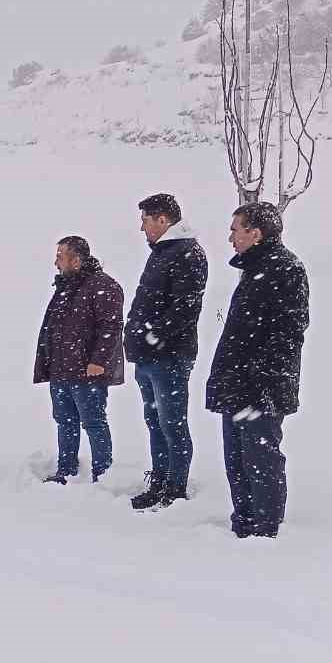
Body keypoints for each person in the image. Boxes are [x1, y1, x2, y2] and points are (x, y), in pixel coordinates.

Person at [205, 202, 310, 539]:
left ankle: (264, 528)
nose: (230, 237)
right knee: (236, 459)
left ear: (256, 232)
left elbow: (289, 332)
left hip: (261, 388)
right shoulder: (255, 269)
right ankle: (244, 521)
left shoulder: (285, 268)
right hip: (238, 384)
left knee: (260, 458)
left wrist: (261, 377)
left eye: (236, 229)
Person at [124, 193, 207, 510]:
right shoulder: (163, 252)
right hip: (149, 357)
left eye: (145, 220)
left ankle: (175, 487)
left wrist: (151, 337)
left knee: (172, 422)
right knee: (154, 420)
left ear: (162, 220)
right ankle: (159, 480)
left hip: (169, 356)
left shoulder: (187, 253)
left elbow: (184, 309)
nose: (142, 228)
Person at [34, 235, 125, 483]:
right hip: (60, 370)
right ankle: (66, 470)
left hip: (87, 371)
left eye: (60, 256)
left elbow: (111, 326)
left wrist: (98, 361)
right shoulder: (65, 287)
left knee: (94, 423)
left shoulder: (103, 285)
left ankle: (103, 476)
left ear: (75, 260)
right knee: (65, 422)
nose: (56, 263)